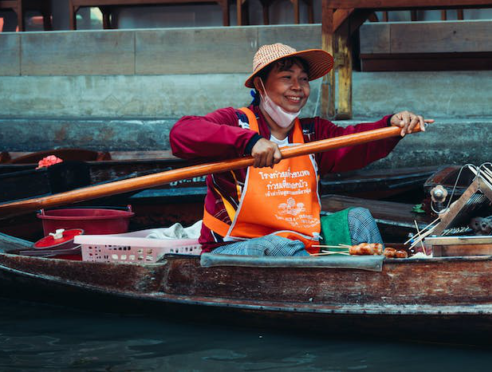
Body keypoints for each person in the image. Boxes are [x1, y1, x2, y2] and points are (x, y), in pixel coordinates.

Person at [170, 43, 431, 257]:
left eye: (303, 80)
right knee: (282, 246)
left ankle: (374, 291)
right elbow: (182, 133)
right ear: (261, 85)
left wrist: (389, 125)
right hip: (233, 245)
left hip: (304, 241)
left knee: (359, 218)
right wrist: (248, 142)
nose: (298, 87)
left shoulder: (313, 133)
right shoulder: (235, 122)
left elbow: (353, 142)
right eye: (287, 78)